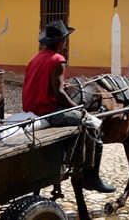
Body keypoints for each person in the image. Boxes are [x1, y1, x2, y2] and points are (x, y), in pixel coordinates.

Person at [22, 20, 115, 193]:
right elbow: (58, 94)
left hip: (30, 108)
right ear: (59, 42)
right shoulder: (59, 60)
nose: (65, 43)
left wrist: (59, 85)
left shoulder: (36, 58)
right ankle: (90, 176)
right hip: (47, 112)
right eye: (64, 40)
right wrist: (79, 109)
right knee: (93, 123)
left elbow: (43, 84)